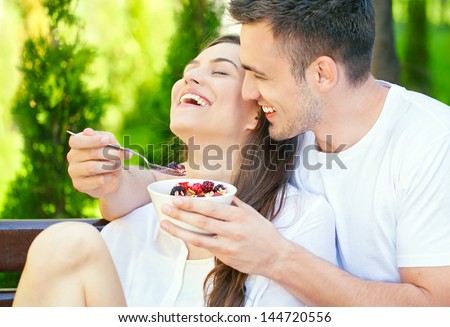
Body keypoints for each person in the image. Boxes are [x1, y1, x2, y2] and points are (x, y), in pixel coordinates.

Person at [153, 0, 450, 306]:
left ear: (322, 74)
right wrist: (128, 181)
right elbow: (211, 171)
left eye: (262, 76)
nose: (249, 93)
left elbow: (436, 308)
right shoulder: (295, 127)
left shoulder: (431, 145)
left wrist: (277, 259)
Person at [13, 35, 337, 307]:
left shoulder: (299, 220)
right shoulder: (133, 225)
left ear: (258, 111)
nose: (190, 78)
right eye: (189, 71)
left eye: (220, 73)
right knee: (68, 242)